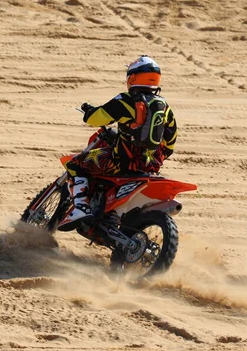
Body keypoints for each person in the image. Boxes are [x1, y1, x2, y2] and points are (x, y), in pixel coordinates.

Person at [58, 55, 178, 231]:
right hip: (150, 168)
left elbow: (95, 118)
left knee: (75, 163)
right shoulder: (164, 107)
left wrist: (88, 112)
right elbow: (170, 144)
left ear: (133, 77)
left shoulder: (126, 100)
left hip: (121, 164)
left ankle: (81, 207)